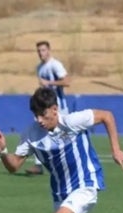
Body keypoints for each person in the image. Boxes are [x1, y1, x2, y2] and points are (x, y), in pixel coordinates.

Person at [26, 40, 72, 176]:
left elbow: (67, 81)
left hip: (58, 109)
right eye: (39, 51)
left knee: (64, 136)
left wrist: (49, 82)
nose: (41, 53)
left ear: (49, 50)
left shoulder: (55, 65)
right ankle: (38, 165)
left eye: (43, 50)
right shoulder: (39, 67)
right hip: (45, 110)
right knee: (40, 132)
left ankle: (68, 163)